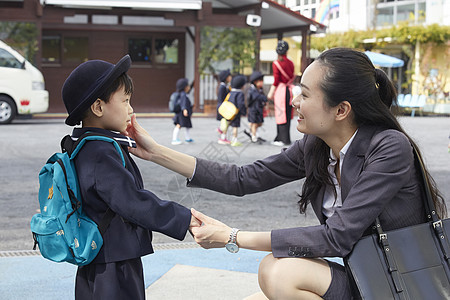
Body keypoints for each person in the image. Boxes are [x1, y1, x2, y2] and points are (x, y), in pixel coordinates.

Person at [123, 48, 446, 299]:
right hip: (360, 277)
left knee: (279, 274)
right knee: (268, 280)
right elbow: (242, 178)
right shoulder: (316, 146)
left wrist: (232, 237)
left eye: (305, 94)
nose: (294, 101)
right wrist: (156, 153)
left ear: (341, 109)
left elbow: (336, 236)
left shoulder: (389, 147)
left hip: (396, 284)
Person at [61, 55, 199, 300]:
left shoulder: (85, 145)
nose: (131, 109)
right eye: (125, 101)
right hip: (114, 262)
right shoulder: (101, 152)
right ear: (98, 107)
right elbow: (132, 202)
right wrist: (184, 218)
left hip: (97, 256)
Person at [267, 40, 295, 146]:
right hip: (289, 91)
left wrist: (270, 93)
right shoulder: (291, 63)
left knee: (280, 114)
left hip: (281, 91)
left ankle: (282, 139)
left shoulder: (276, 63)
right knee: (287, 115)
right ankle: (285, 138)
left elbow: (276, 80)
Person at [246, 71, 268, 143]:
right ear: (255, 82)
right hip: (253, 110)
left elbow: (263, 97)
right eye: (260, 81)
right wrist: (264, 98)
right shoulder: (252, 90)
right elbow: (257, 97)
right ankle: (254, 136)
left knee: (259, 123)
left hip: (259, 109)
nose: (262, 82)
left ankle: (251, 131)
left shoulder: (260, 90)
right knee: (254, 123)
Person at [227, 74, 247, 147]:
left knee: (229, 125)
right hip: (236, 113)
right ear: (241, 85)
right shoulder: (240, 93)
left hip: (229, 112)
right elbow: (240, 104)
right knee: (235, 127)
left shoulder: (231, 92)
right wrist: (243, 112)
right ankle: (234, 140)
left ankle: (225, 137)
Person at [172, 78, 194, 145]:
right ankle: (174, 139)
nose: (189, 87)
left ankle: (187, 138)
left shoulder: (181, 93)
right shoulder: (183, 94)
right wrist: (185, 109)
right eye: (188, 85)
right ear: (185, 87)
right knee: (179, 125)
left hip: (182, 113)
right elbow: (183, 103)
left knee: (187, 125)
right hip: (182, 114)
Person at [216, 69, 232, 144]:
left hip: (224, 106)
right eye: (229, 76)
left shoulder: (225, 86)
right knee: (225, 122)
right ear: (226, 77)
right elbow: (221, 98)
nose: (230, 78)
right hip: (223, 107)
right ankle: (222, 136)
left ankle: (222, 134)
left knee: (225, 122)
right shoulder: (222, 87)